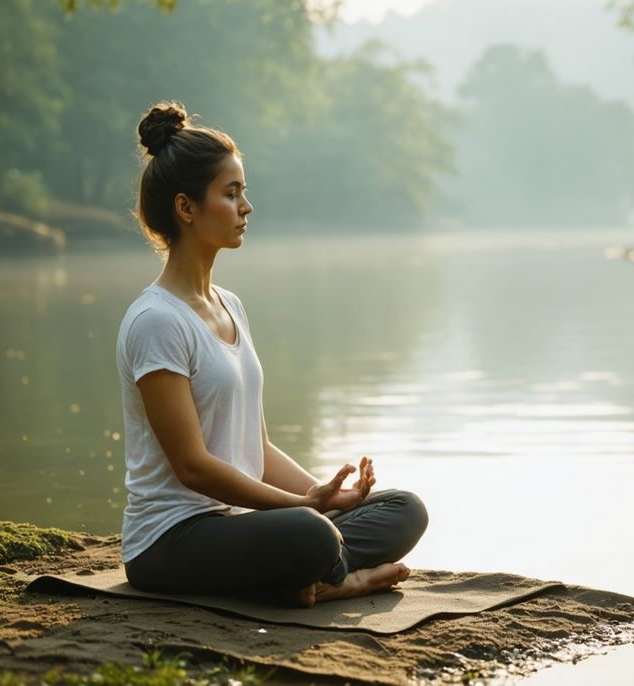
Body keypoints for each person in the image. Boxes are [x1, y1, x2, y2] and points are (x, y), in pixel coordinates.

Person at [115, 101, 427, 607]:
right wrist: (304, 508)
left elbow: (254, 448)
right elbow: (192, 467)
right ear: (186, 207)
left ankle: (306, 572)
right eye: (231, 193)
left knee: (405, 508)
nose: (246, 207)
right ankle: (338, 582)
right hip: (171, 542)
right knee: (311, 533)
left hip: (242, 528)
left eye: (245, 192)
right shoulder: (157, 321)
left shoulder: (229, 306)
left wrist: (325, 497)